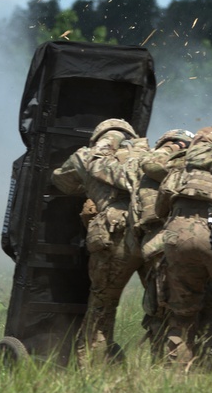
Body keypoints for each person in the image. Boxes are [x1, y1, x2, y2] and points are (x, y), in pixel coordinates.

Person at [51, 118, 145, 364]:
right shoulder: (149, 154)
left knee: (102, 305)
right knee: (164, 306)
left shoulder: (86, 156)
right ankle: (169, 369)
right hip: (152, 232)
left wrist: (89, 186)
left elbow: (60, 180)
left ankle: (93, 368)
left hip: (115, 233)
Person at [157, 125, 212, 367]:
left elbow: (160, 208)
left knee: (182, 312)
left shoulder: (181, 167)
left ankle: (176, 367)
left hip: (175, 238)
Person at [124, 129, 194, 357]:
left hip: (164, 245)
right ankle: (169, 362)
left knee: (167, 309)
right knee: (166, 309)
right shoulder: (168, 165)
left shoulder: (162, 169)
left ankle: (170, 361)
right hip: (164, 246)